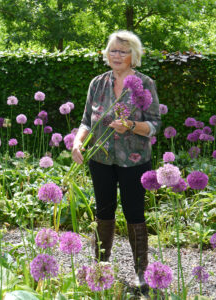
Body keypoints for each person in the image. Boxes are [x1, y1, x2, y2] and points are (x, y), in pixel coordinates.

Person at [72, 30, 161, 290]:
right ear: (106, 54)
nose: (117, 55)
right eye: (113, 50)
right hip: (100, 158)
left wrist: (132, 125)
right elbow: (86, 120)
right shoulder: (97, 83)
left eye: (123, 51)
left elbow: (155, 124)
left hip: (135, 161)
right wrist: (78, 142)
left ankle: (140, 274)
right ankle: (101, 268)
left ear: (134, 56)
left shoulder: (145, 84)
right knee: (103, 212)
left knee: (135, 213)